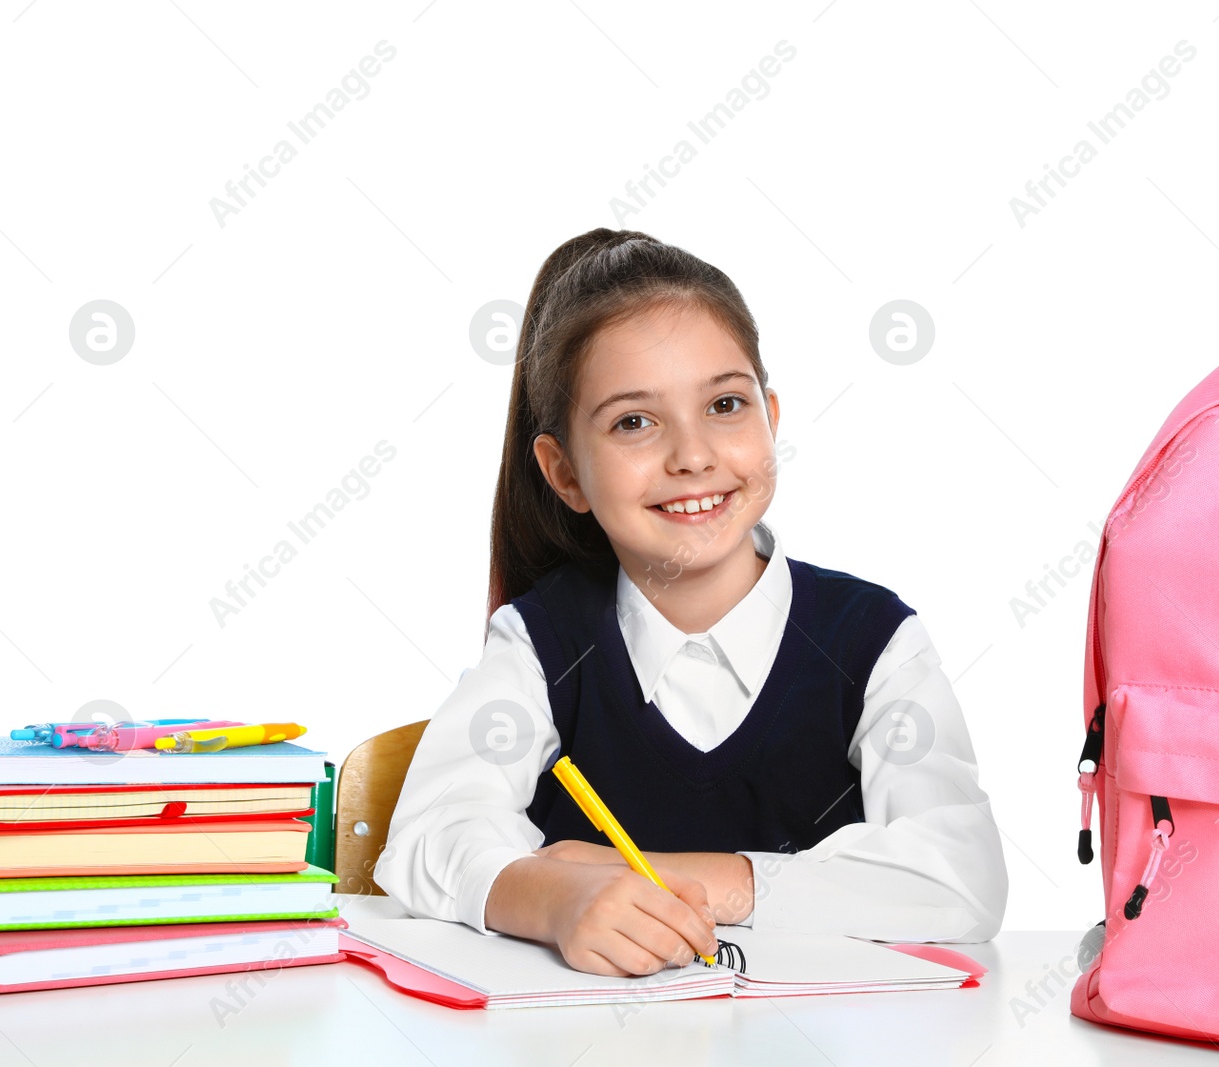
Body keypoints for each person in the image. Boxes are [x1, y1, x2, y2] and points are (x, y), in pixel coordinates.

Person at [376, 227, 1008, 977]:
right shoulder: (541, 643)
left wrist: (658, 874)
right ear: (564, 471)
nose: (693, 455)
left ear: (770, 414)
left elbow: (961, 871)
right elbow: (427, 833)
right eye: (633, 422)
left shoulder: (873, 641)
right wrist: (550, 893)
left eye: (726, 404)